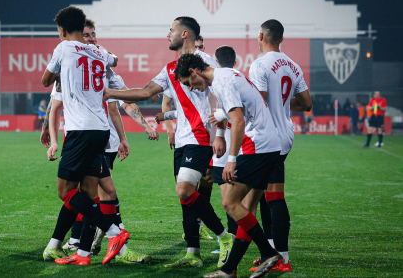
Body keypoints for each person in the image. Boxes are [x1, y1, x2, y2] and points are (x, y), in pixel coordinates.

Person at [105, 16, 235, 269]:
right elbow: (144, 92)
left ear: (185, 34)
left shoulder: (207, 63)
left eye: (171, 30)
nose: (168, 34)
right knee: (185, 197)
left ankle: (225, 237)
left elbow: (224, 99)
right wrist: (110, 92)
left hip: (201, 137)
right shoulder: (169, 68)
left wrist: (219, 134)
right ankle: (193, 253)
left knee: (185, 190)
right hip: (184, 139)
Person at [44, 18, 154, 264]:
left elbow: (120, 102)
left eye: (93, 34)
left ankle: (80, 249)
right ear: (75, 37)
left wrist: (127, 135)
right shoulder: (72, 63)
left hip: (101, 138)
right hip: (83, 136)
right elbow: (55, 104)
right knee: (90, 193)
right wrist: (50, 136)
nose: (91, 38)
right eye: (85, 34)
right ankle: (101, 241)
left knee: (90, 193)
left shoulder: (102, 65)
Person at [174, 53, 283, 278]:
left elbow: (239, 120)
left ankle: (269, 253)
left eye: (188, 83)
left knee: (229, 202)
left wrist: (231, 160)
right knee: (247, 209)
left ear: (194, 72)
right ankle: (229, 269)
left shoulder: (221, 80)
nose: (192, 88)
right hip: (269, 144)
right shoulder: (227, 75)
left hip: (258, 145)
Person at [156, 45, 240, 252]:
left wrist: (219, 136)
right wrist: (167, 123)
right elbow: (172, 106)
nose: (190, 88)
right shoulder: (179, 72)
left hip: (209, 138)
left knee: (218, 192)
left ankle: (232, 238)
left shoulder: (216, 75)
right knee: (188, 193)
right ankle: (194, 249)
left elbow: (230, 109)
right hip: (189, 139)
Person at [248, 19, 312, 273]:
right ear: (281, 38)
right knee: (265, 194)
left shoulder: (259, 64)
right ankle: (271, 253)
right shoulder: (293, 65)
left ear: (261, 35)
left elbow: (258, 105)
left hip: (267, 138)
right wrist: (283, 106)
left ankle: (282, 258)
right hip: (285, 134)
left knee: (273, 196)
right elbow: (306, 103)